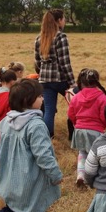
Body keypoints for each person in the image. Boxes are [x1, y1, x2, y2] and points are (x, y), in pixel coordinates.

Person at [0, 79, 63, 212]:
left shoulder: (6, 122)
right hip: (31, 174)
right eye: (39, 96)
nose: (43, 99)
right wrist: (55, 174)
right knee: (34, 207)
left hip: (12, 172)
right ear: (28, 101)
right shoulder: (36, 125)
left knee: (19, 202)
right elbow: (43, 155)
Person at [34, 9, 75, 137]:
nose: (65, 21)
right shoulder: (61, 37)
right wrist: (72, 83)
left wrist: (42, 73)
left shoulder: (39, 38)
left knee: (49, 110)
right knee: (76, 104)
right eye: (64, 18)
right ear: (58, 21)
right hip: (60, 79)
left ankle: (48, 136)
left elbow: (37, 62)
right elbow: (64, 62)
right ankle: (74, 134)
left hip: (45, 80)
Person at [67, 69, 106, 187]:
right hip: (96, 131)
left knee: (82, 153)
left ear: (80, 82)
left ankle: (80, 175)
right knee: (95, 156)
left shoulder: (76, 96)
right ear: (97, 81)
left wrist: (76, 123)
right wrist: (104, 125)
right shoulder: (102, 97)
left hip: (79, 130)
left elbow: (71, 113)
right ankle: (93, 179)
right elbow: (103, 115)